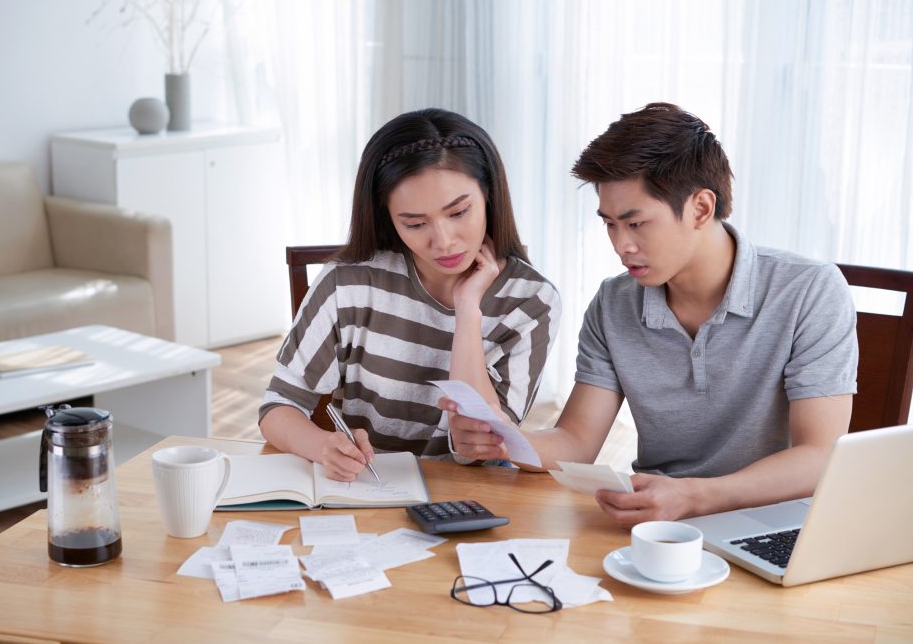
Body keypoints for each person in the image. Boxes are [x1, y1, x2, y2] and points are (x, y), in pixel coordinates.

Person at [444, 102, 858, 526]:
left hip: (774, 522)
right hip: (659, 525)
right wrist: (507, 441)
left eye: (636, 223)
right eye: (609, 224)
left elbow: (819, 456)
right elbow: (576, 441)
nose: (621, 244)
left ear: (700, 208)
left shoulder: (810, 290)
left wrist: (696, 496)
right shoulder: (614, 304)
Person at [260, 108, 561, 481]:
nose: (444, 240)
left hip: (468, 495)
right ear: (388, 217)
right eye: (415, 223)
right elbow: (278, 406)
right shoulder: (349, 282)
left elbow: (480, 448)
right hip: (367, 485)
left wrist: (468, 311)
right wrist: (323, 446)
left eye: (459, 212)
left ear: (489, 195)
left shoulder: (530, 299)